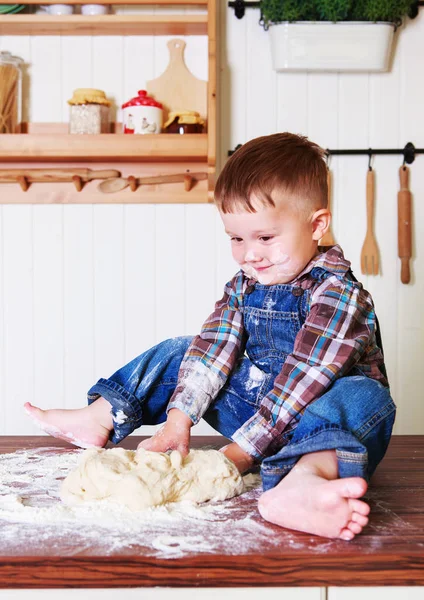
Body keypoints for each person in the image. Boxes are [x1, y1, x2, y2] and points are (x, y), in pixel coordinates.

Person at [25, 132, 396, 541]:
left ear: (317, 225)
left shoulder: (338, 293)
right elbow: (212, 349)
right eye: (237, 238)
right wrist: (178, 419)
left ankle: (306, 479)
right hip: (255, 414)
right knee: (182, 349)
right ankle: (104, 416)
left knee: (364, 396)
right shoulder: (244, 284)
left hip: (314, 423)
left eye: (265, 238)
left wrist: (239, 455)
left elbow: (305, 378)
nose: (249, 254)